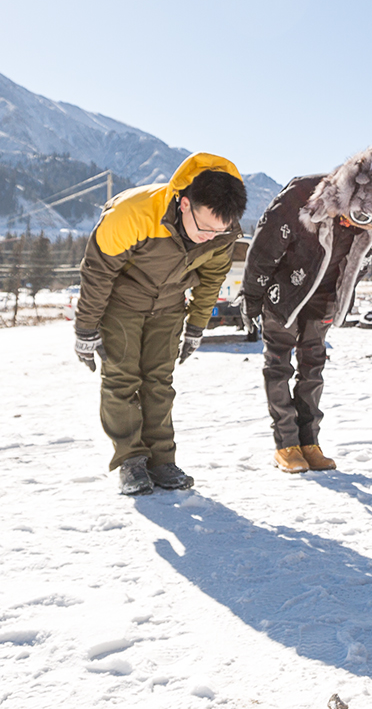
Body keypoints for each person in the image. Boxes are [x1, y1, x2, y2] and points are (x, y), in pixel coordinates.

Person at [73, 153, 247, 495]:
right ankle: (130, 460)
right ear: (184, 204)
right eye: (205, 228)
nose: (211, 237)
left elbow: (211, 280)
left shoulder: (223, 234)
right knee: (122, 378)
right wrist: (85, 328)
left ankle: (162, 460)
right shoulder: (133, 214)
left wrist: (196, 326)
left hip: (169, 306)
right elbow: (97, 273)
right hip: (121, 304)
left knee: (159, 382)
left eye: (219, 230)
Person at [244, 143, 372, 473]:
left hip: (324, 297)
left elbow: (358, 264)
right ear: (351, 191)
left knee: (314, 367)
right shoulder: (304, 193)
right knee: (278, 364)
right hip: (284, 292)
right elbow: (263, 247)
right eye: (361, 215)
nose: (364, 225)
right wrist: (251, 296)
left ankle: (309, 441)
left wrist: (342, 299)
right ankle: (286, 443)